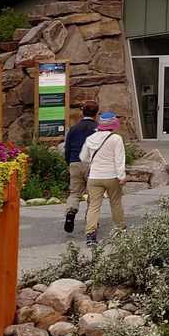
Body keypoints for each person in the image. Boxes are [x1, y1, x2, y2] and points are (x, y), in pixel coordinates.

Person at [79, 111, 127, 246]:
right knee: (116, 203)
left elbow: (83, 158)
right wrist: (122, 176)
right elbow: (119, 159)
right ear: (113, 125)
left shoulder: (90, 138)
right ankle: (120, 230)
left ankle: (90, 235)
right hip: (112, 176)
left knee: (94, 206)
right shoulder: (116, 139)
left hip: (94, 177)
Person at [61, 100, 99, 234]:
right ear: (96, 113)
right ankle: (91, 219)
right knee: (93, 194)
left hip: (75, 162)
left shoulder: (74, 128)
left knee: (75, 193)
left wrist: (69, 162)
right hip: (92, 164)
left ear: (82, 113)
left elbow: (67, 148)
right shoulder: (98, 129)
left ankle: (70, 213)